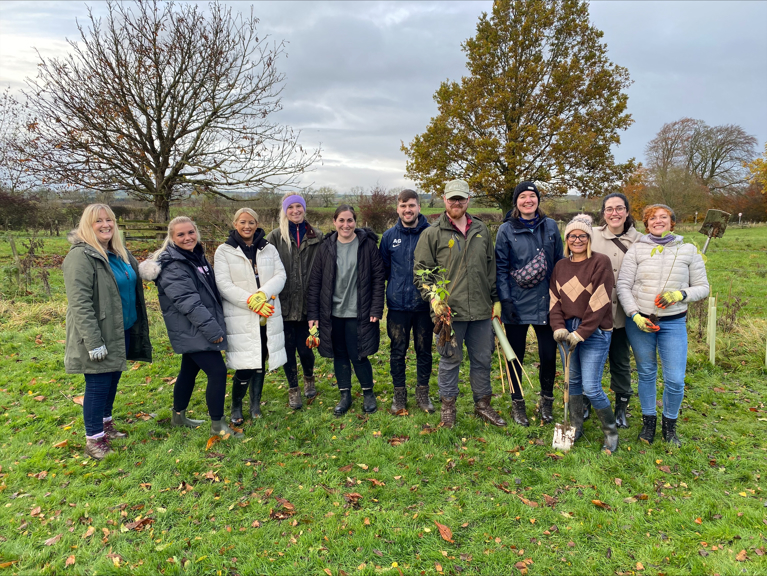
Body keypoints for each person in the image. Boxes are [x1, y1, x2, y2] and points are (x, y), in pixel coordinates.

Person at [413, 179, 506, 429]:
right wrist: (434, 298)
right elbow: (421, 273)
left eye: (461, 198)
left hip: (480, 310)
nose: (456, 203)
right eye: (452, 198)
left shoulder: (481, 230)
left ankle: (483, 405)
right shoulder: (432, 233)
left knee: (482, 360)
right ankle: (448, 408)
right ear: (444, 199)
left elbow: (490, 268)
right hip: (449, 314)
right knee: (450, 360)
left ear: (468, 200)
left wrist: (495, 300)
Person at [139, 216, 241, 438]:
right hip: (192, 327)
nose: (187, 238)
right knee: (218, 371)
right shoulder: (174, 265)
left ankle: (178, 416)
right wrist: (213, 331)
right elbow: (189, 303)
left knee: (189, 370)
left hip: (195, 327)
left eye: (190, 232)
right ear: (172, 237)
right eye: (181, 234)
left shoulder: (195, 256)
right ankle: (218, 425)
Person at [63, 204, 152, 460]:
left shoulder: (117, 253)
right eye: (98, 221)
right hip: (97, 334)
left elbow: (132, 276)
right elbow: (79, 303)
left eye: (109, 220)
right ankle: (93, 439)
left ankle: (105, 423)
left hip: (119, 330)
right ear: (86, 225)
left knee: (112, 379)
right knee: (98, 384)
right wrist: (93, 341)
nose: (106, 225)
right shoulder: (81, 257)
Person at [617, 204, 709, 446]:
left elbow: (703, 287)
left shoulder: (687, 250)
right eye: (652, 218)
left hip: (673, 323)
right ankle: (649, 423)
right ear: (646, 225)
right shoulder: (636, 250)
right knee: (646, 373)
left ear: (672, 222)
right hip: (640, 322)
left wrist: (681, 294)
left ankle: (670, 426)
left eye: (663, 217)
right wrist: (634, 314)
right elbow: (623, 285)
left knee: (675, 379)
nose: (658, 221)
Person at [495, 181, 564, 427]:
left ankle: (546, 402)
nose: (527, 200)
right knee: (516, 357)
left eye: (531, 196)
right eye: (522, 196)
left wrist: (560, 299)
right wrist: (505, 299)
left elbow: (560, 264)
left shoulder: (551, 227)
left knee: (548, 356)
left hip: (547, 304)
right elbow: (501, 268)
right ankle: (518, 404)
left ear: (537, 200)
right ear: (516, 202)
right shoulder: (505, 230)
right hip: (517, 303)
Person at [306, 205, 385, 416]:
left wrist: (377, 307)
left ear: (355, 222)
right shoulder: (326, 247)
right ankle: (345, 395)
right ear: (334, 222)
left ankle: (368, 393)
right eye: (341, 220)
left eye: (350, 220)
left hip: (359, 312)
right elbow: (315, 282)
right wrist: (313, 314)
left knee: (359, 355)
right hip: (332, 314)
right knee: (339, 355)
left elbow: (378, 278)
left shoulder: (367, 246)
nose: (346, 225)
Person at [550, 215, 618, 452]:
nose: (577, 240)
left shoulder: (600, 262)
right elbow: (554, 301)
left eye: (582, 236)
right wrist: (559, 327)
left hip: (595, 331)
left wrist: (582, 332)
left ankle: (610, 431)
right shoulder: (560, 266)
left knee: (591, 386)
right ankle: (576, 427)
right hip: (567, 329)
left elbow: (600, 302)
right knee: (573, 381)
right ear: (566, 239)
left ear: (589, 239)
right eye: (572, 236)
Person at [215, 208, 287, 424]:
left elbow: (280, 275)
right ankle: (236, 406)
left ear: (257, 224)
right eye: (243, 222)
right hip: (241, 316)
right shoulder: (224, 251)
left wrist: (262, 295)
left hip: (267, 312)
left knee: (261, 360)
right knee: (246, 364)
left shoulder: (269, 248)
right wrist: (250, 301)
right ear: (235, 223)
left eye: (252, 222)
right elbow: (223, 284)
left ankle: (255, 405)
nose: (247, 226)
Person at [379, 189, 435, 414]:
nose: (407, 209)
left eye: (411, 205)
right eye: (403, 206)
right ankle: (399, 394)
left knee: (424, 351)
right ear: (397, 208)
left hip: (424, 306)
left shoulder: (431, 234)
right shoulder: (389, 237)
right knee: (397, 351)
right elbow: (383, 271)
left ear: (419, 207)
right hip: (397, 307)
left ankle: (423, 393)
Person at [266, 194, 324, 409]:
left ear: (304, 209)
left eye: (299, 206)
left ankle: (309, 377)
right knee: (287, 349)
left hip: (310, 306)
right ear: (285, 210)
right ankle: (293, 388)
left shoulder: (317, 236)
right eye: (291, 207)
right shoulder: (274, 237)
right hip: (283, 305)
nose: (295, 210)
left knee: (307, 347)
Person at [590, 192, 642, 428]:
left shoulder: (641, 241)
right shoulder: (591, 236)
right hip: (593, 315)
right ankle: (586, 403)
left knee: (620, 361)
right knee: (590, 360)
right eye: (609, 209)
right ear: (603, 213)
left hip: (623, 314)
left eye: (619, 208)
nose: (614, 213)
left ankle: (621, 406)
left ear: (627, 212)